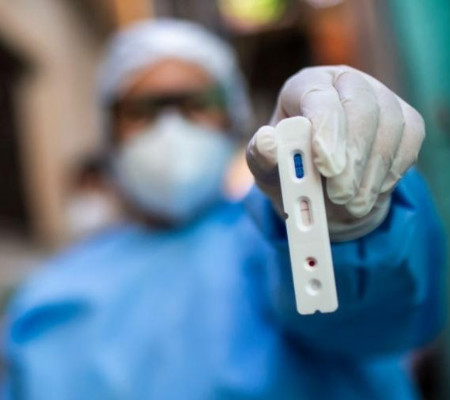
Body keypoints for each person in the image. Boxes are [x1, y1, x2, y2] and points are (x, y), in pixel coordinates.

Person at [2, 19, 445, 400]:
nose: (171, 127)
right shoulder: (47, 305)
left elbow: (377, 318)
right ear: (109, 134)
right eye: (142, 110)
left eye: (197, 104)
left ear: (233, 118)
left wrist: (354, 228)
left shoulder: (273, 238)